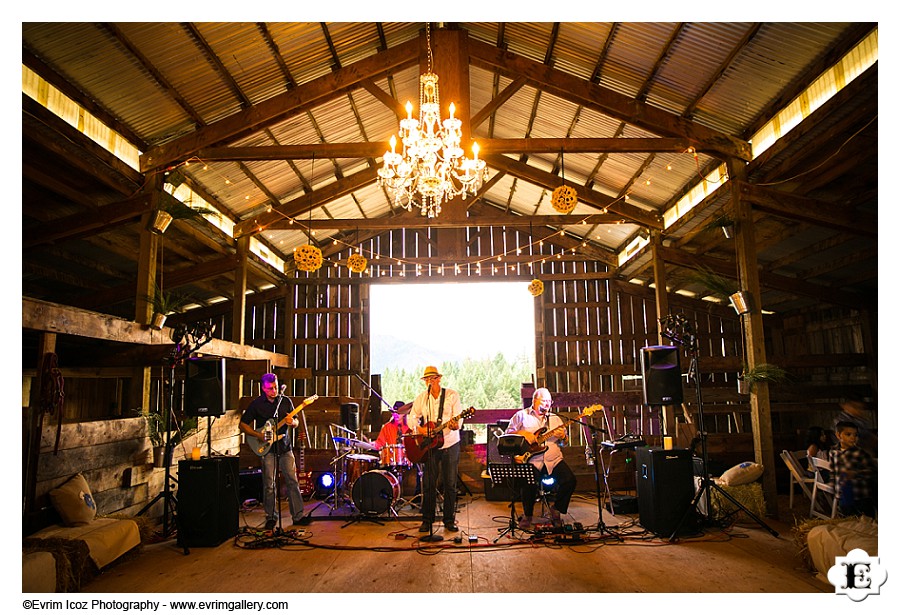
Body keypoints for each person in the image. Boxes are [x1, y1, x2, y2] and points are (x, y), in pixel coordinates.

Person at [239, 373, 306, 530]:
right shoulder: (257, 404)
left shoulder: (285, 401)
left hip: (285, 447)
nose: (274, 391)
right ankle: (271, 516)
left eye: (276, 387)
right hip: (267, 449)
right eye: (270, 389)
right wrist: (258, 435)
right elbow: (243, 424)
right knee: (269, 484)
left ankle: (298, 515)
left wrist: (293, 422)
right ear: (263, 388)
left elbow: (295, 421)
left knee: (292, 480)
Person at [505, 387, 577, 529]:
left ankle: (556, 509)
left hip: (553, 459)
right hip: (531, 460)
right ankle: (528, 515)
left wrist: (564, 437)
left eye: (549, 401)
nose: (547, 404)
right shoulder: (521, 416)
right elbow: (508, 436)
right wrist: (523, 433)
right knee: (528, 482)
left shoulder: (555, 419)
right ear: (534, 400)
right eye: (544, 401)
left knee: (570, 480)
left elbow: (564, 443)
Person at [407, 366, 463, 533]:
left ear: (439, 378)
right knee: (429, 483)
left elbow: (459, 420)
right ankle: (427, 520)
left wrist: (454, 425)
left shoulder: (452, 395)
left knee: (450, 484)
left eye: (433, 378)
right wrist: (421, 430)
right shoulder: (422, 398)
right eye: (427, 379)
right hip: (431, 446)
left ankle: (449, 520)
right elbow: (411, 418)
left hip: (450, 443)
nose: (430, 381)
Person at [828, 420, 877, 518]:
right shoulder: (833, 451)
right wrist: (834, 489)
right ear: (838, 435)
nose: (852, 438)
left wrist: (856, 474)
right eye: (848, 434)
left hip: (861, 495)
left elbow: (872, 472)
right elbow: (833, 471)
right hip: (843, 495)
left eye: (855, 435)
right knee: (848, 520)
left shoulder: (860, 453)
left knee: (865, 523)